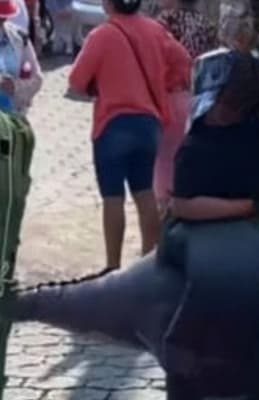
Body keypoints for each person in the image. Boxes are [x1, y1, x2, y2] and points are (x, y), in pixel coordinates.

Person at [67, 0, 191, 270]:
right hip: (149, 124)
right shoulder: (156, 31)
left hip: (112, 124)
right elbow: (182, 60)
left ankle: (113, 267)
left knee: (113, 197)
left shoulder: (101, 35)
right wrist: (164, 82)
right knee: (145, 192)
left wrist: (99, 87)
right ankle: (149, 262)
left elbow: (76, 82)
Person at [170, 50, 259, 222]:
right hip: (217, 232)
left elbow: (181, 206)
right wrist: (251, 206)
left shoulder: (258, 133)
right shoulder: (196, 143)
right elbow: (182, 206)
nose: (227, 108)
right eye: (225, 100)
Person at [151, 0, 216, 214]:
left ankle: (164, 208)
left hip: (170, 94)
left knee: (164, 157)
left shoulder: (165, 21)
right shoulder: (207, 24)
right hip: (200, 96)